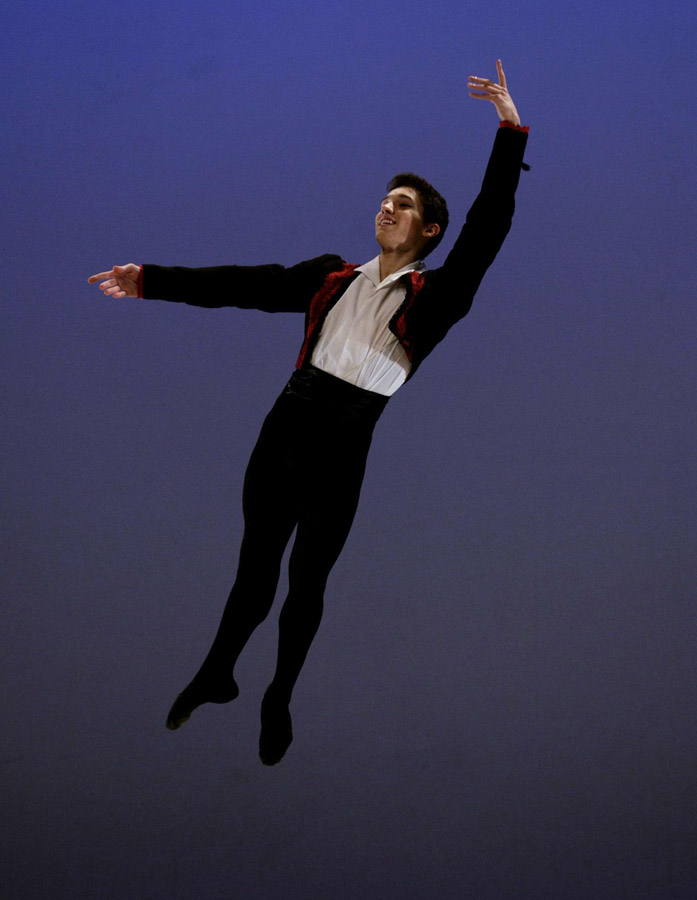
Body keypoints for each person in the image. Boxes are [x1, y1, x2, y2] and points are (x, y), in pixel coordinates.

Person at [88, 60, 529, 766]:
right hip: (288, 422)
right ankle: (218, 671)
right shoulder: (330, 277)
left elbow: (489, 225)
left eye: (402, 204)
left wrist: (509, 130)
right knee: (255, 563)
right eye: (384, 199)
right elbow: (244, 284)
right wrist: (150, 281)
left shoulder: (438, 297)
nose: (386, 208)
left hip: (348, 436)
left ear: (430, 230)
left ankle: (279, 693)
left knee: (308, 578)